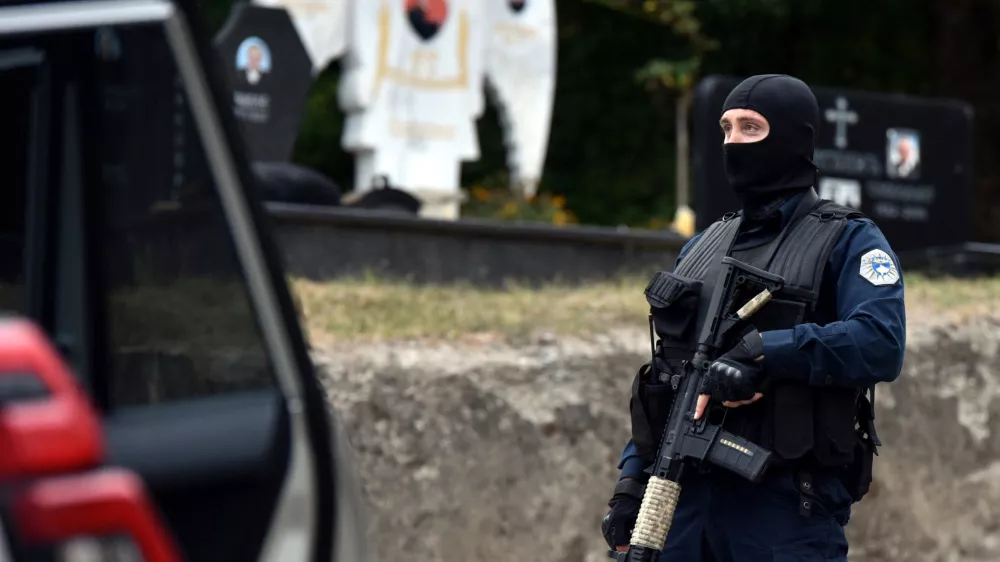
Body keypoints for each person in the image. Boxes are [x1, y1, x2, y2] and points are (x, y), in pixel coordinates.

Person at [601, 74, 907, 561]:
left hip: (782, 510)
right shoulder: (701, 248)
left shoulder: (848, 239)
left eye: (750, 127)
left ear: (794, 136)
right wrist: (630, 481)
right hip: (679, 503)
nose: (733, 142)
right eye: (726, 128)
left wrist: (767, 353)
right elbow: (668, 380)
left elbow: (880, 341)